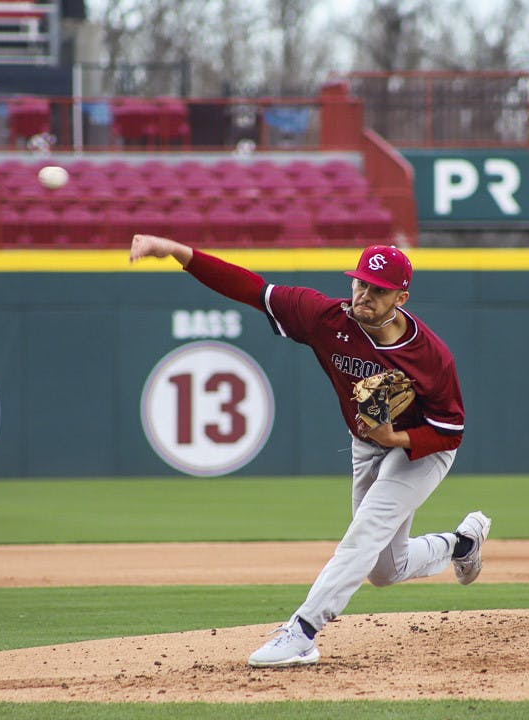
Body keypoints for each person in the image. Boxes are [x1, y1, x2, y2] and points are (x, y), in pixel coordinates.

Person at [130, 234, 491, 668]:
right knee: (384, 570)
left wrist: (397, 440)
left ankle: (302, 631)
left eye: (378, 289)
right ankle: (461, 544)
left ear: (401, 296)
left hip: (421, 448)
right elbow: (251, 289)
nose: (365, 295)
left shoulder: (430, 356)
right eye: (360, 283)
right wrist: (178, 252)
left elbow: (451, 430)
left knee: (365, 533)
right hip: (367, 444)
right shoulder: (325, 317)